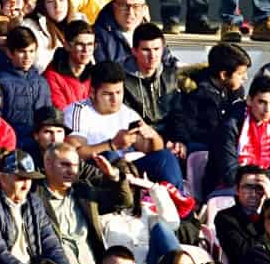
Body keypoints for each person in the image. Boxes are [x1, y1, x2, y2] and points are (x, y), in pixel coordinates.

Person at [66, 61, 185, 191]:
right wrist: (112, 144)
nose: (115, 99)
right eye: (108, 94)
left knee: (165, 157)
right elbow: (74, 153)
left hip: (128, 169)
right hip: (97, 172)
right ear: (93, 93)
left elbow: (154, 149)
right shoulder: (78, 111)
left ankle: (180, 204)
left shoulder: (127, 113)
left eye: (119, 92)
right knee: (108, 154)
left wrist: (153, 136)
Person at [35, 142, 130, 264]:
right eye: (65, 165)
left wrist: (113, 176)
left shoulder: (84, 191)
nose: (71, 171)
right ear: (48, 164)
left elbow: (123, 202)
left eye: (74, 165)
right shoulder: (34, 196)